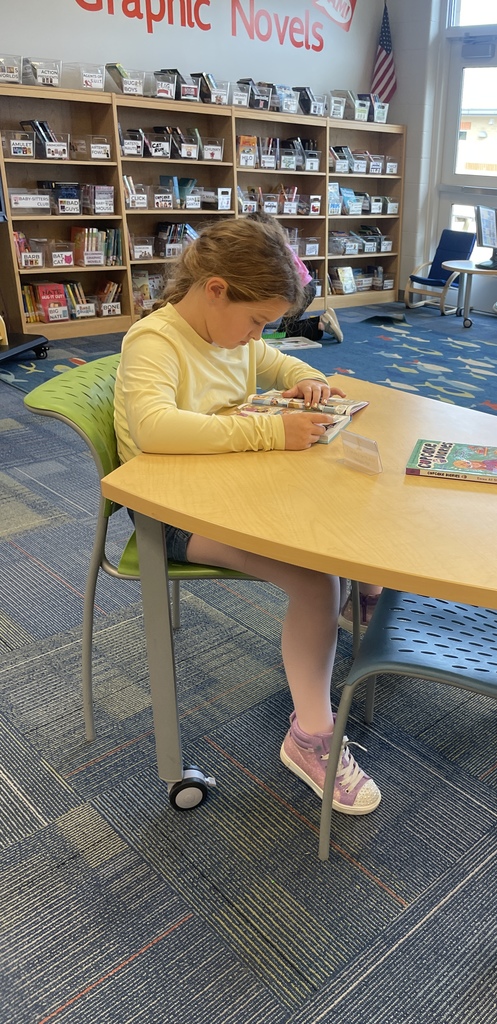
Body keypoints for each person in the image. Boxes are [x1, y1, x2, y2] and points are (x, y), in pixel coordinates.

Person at [113, 216, 380, 816]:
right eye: (256, 319)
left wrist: (310, 381)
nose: (258, 334)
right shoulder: (154, 342)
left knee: (342, 502)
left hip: (225, 490)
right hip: (173, 516)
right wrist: (267, 430)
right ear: (214, 290)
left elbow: (280, 365)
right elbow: (155, 429)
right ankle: (310, 735)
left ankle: (360, 602)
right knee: (315, 576)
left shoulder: (231, 334)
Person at [275, 254, 344, 343]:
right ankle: (326, 319)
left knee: (285, 332)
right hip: (306, 285)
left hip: (301, 289)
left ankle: (320, 323)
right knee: (287, 327)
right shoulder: (278, 243)